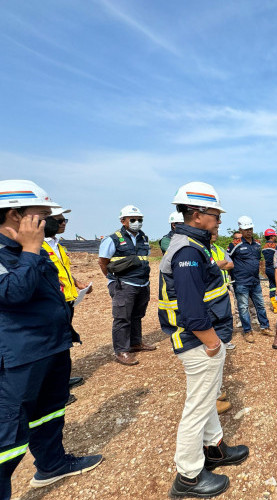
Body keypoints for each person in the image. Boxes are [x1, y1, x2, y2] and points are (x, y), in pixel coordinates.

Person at [0, 180, 102, 498]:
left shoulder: (35, 250)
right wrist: (31, 250)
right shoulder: (15, 252)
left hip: (51, 346)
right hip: (21, 357)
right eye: (42, 215)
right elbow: (13, 293)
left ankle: (51, 464)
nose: (49, 222)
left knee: (50, 412)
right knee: (8, 439)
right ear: (16, 215)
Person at [158, 182, 248, 498]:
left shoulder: (194, 245)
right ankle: (189, 476)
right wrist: (212, 343)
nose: (220, 220)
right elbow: (192, 313)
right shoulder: (187, 251)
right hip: (198, 342)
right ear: (197, 214)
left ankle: (215, 448)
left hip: (203, 339)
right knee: (197, 406)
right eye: (215, 213)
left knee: (206, 397)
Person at [43, 206, 92, 405]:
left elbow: (61, 271)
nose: (63, 223)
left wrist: (77, 283)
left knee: (63, 342)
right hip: (50, 303)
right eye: (59, 220)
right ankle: (52, 391)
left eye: (65, 221)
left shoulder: (57, 244)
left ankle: (61, 381)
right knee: (51, 344)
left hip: (66, 301)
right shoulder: (34, 247)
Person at [98, 205, 156, 366]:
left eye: (140, 220)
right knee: (122, 318)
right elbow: (103, 262)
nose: (137, 222)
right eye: (133, 219)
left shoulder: (143, 238)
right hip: (124, 284)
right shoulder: (113, 239)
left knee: (137, 315)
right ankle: (122, 350)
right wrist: (111, 280)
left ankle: (136, 342)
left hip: (142, 283)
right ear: (123, 221)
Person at [229, 216, 270, 343]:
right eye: (246, 229)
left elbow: (257, 260)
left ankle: (265, 327)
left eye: (250, 229)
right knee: (243, 307)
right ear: (240, 229)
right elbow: (229, 260)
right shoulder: (235, 244)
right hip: (241, 282)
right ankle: (248, 331)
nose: (249, 231)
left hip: (255, 281)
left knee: (260, 305)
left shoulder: (257, 244)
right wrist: (234, 277)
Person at [210, 232, 236, 356]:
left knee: (225, 315)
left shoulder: (220, 249)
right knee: (211, 316)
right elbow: (206, 268)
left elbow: (230, 264)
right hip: (210, 289)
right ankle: (212, 342)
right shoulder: (201, 249)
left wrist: (217, 265)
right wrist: (219, 264)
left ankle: (224, 341)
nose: (216, 234)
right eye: (213, 232)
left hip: (223, 286)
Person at [261, 229, 277, 313]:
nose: (275, 237)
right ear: (271, 236)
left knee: (272, 286)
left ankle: (275, 307)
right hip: (275, 269)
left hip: (267, 269)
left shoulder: (264, 247)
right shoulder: (276, 246)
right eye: (274, 235)